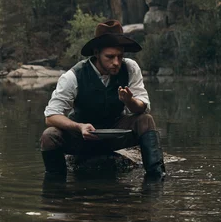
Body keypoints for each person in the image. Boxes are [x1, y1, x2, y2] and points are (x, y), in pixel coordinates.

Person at [40, 19, 165, 180]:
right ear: (96, 53)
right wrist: (79, 127)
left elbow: (142, 107)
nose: (116, 62)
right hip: (82, 137)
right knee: (49, 136)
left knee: (146, 120)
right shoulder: (73, 76)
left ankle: (157, 177)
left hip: (117, 134)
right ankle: (55, 185)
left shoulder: (130, 68)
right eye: (110, 57)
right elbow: (50, 116)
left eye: (120, 56)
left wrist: (130, 101)